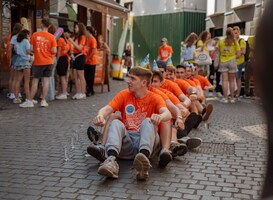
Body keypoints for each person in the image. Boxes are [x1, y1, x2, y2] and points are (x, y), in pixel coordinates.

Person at [90, 66, 172, 180]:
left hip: (146, 142)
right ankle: (111, 162)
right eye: (129, 78)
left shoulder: (155, 98)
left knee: (148, 121)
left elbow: (167, 113)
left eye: (132, 79)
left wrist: (160, 116)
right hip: (127, 143)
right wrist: (100, 115)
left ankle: (143, 161)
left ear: (143, 83)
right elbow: (106, 109)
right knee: (115, 122)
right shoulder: (124, 94)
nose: (128, 81)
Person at [19, 18, 57, 108]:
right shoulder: (52, 37)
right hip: (49, 61)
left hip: (38, 62)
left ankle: (30, 101)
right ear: (49, 26)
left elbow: (31, 49)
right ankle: (43, 100)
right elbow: (54, 50)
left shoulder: (35, 35)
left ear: (41, 25)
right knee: (46, 81)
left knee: (35, 81)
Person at [216, 27, 240, 103]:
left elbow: (217, 52)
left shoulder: (221, 41)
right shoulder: (235, 42)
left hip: (223, 61)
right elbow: (239, 54)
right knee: (232, 81)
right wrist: (232, 57)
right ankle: (232, 98)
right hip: (232, 61)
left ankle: (225, 98)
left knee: (224, 80)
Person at [12, 29, 32, 105]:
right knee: (27, 82)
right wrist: (32, 53)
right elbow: (28, 51)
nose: (29, 36)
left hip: (18, 61)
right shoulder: (26, 41)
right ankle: (29, 99)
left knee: (18, 80)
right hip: (26, 61)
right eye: (28, 34)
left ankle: (16, 98)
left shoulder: (17, 41)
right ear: (26, 35)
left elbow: (16, 50)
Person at [68, 23, 87, 100]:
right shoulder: (76, 37)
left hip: (80, 56)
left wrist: (72, 42)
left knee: (81, 75)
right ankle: (78, 92)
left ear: (80, 28)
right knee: (75, 76)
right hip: (75, 56)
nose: (74, 29)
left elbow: (79, 48)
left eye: (76, 27)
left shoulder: (83, 37)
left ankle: (83, 92)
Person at [8, 23, 23, 100]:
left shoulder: (13, 37)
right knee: (18, 78)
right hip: (21, 57)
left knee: (13, 77)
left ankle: (12, 93)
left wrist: (9, 58)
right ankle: (17, 92)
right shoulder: (23, 37)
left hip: (15, 57)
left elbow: (10, 49)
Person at [55, 28, 71, 100]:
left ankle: (64, 92)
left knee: (62, 76)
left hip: (61, 58)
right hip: (65, 59)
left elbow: (58, 51)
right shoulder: (67, 41)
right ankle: (64, 91)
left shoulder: (60, 40)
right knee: (63, 76)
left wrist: (57, 60)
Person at [233, 26, 246, 100]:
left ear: (239, 32)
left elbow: (243, 51)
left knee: (238, 78)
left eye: (236, 32)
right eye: (234, 32)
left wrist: (234, 55)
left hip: (239, 62)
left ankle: (237, 94)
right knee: (233, 78)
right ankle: (233, 93)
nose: (235, 34)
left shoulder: (241, 41)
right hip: (233, 62)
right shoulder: (232, 41)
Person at [84, 26, 98, 97]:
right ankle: (89, 89)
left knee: (90, 77)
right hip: (87, 61)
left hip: (92, 61)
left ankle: (91, 90)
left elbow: (93, 51)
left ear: (88, 31)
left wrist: (87, 58)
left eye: (86, 31)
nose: (85, 32)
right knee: (86, 76)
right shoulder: (87, 39)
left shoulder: (93, 39)